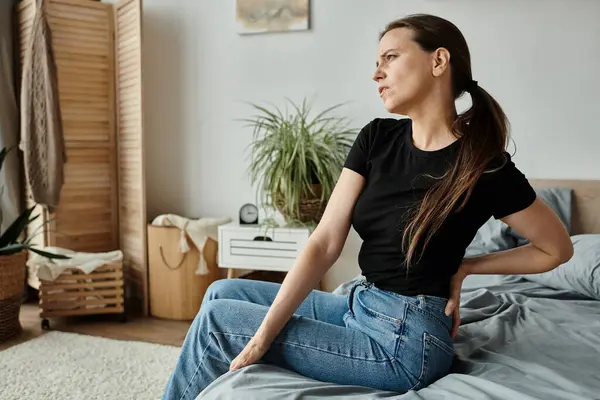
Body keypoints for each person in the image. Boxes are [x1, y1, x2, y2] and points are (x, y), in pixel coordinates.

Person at [162, 13, 574, 399]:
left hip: (407, 344)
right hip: (360, 303)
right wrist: (263, 334)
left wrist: (466, 267)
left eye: (390, 58)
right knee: (221, 292)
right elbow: (324, 243)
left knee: (217, 324)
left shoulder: (483, 165)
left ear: (439, 61)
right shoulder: (377, 138)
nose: (376, 73)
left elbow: (556, 248)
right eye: (377, 62)